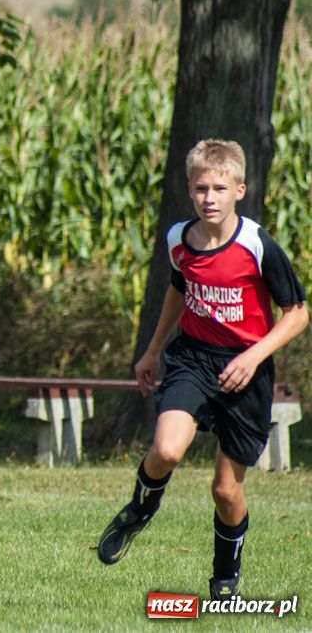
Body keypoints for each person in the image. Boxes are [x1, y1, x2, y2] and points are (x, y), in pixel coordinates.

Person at [96, 139, 308, 599]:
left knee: (226, 491)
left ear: (240, 190)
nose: (209, 197)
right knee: (167, 450)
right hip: (192, 359)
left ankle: (225, 579)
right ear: (189, 190)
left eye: (219, 188)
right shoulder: (179, 239)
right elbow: (179, 288)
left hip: (246, 370)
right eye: (200, 188)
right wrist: (153, 350)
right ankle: (139, 510)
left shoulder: (257, 245)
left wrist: (252, 356)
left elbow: (297, 314)